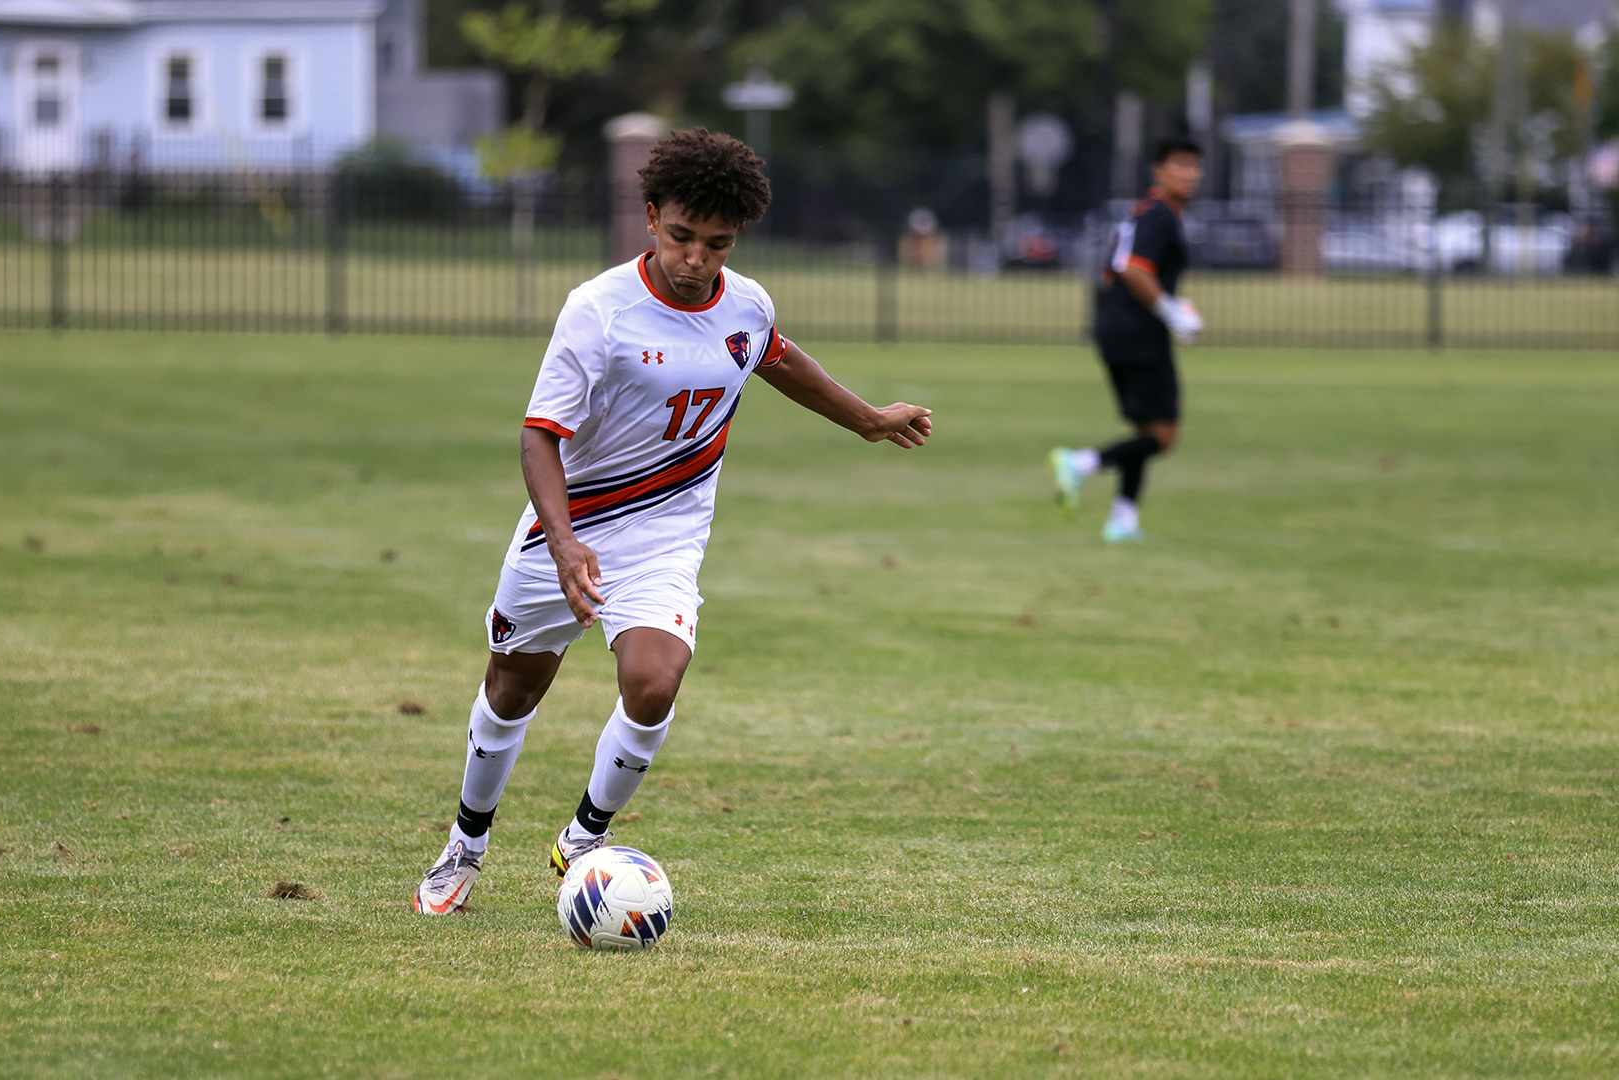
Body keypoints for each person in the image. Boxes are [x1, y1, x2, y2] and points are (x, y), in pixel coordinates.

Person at [414, 129, 933, 914]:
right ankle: (466, 842)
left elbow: (776, 357)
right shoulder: (599, 310)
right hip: (567, 531)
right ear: (652, 217)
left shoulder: (747, 304)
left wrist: (867, 419)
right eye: (683, 236)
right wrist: (565, 545)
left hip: (664, 537)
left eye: (717, 244)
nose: (696, 259)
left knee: (654, 682)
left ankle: (584, 840)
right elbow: (539, 436)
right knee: (511, 693)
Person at [1050, 137, 1205, 543]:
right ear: (1158, 170)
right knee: (1163, 436)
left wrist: (1173, 307)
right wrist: (1172, 313)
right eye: (1180, 165)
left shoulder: (1146, 211)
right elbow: (1134, 270)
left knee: (1144, 430)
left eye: (1194, 166)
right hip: (1138, 334)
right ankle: (1081, 464)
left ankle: (1123, 519)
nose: (1190, 174)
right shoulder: (1161, 215)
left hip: (1120, 329)